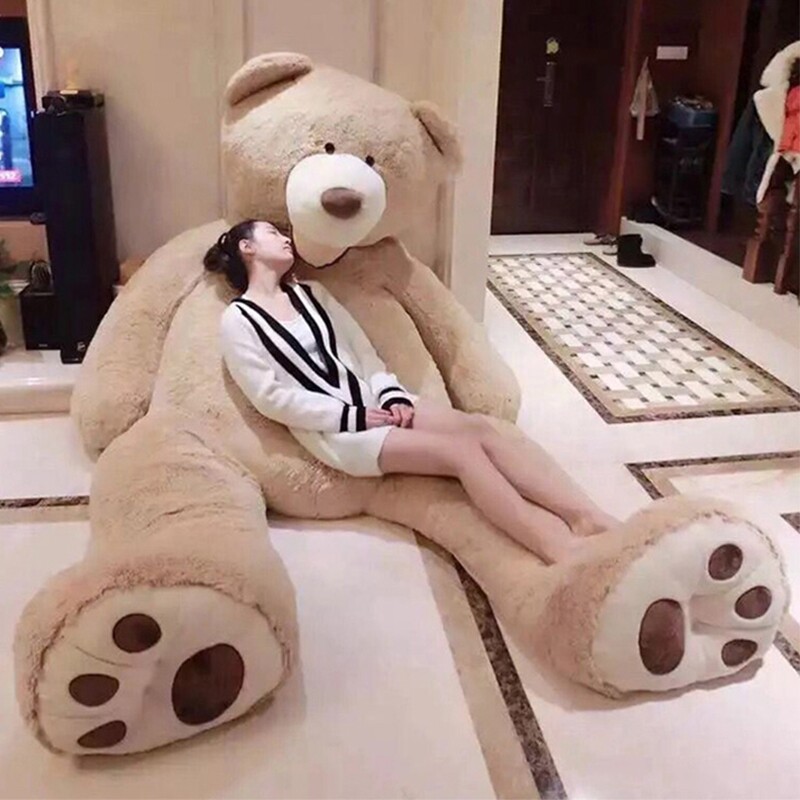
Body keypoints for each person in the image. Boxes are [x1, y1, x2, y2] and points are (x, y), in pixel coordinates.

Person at [208, 219, 619, 564]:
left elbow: (363, 353)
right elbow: (270, 397)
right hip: (337, 433)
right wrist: (351, 416)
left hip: (376, 402)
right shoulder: (238, 321)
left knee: (481, 429)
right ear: (247, 247)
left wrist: (391, 396)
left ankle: (584, 516)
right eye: (272, 233)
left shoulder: (313, 294)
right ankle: (556, 546)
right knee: (461, 454)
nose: (285, 238)